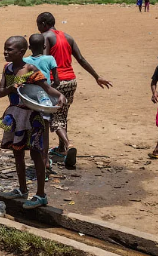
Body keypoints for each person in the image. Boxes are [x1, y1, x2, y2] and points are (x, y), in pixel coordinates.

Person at [0, 36, 66, 209]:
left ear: (21, 52)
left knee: (37, 154)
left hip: (32, 116)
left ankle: (41, 194)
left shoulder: (30, 69)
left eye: (9, 50)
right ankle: (22, 189)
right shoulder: (7, 69)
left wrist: (60, 95)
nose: (5, 52)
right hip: (14, 115)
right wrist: (10, 88)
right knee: (17, 152)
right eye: (5, 48)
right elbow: (0, 92)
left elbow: (47, 88)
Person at [37, 12, 112, 169]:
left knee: (54, 118)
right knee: (63, 114)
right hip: (71, 81)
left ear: (44, 24)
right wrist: (96, 77)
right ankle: (61, 148)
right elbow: (81, 59)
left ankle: (68, 144)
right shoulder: (68, 37)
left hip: (57, 83)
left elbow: (44, 61)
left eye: (38, 25)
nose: (38, 29)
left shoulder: (45, 37)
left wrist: (40, 81)